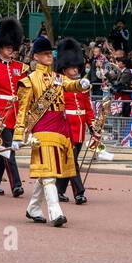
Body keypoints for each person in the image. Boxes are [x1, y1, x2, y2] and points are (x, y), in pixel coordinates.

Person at [13, 32, 89, 227]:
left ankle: (33, 208)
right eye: (45, 54)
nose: (49, 57)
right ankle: (56, 212)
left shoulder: (57, 78)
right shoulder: (29, 81)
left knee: (49, 172)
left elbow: (70, 85)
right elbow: (22, 111)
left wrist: (80, 84)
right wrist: (18, 134)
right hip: (42, 129)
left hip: (60, 129)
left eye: (50, 53)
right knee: (48, 174)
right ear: (36, 56)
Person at [0, 16, 26, 198]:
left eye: (12, 47)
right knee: (9, 148)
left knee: (5, 149)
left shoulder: (21, 68)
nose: (10, 50)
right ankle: (16, 184)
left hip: (16, 114)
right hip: (1, 114)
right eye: (7, 47)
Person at [54, 36, 93, 205]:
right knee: (72, 160)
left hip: (79, 128)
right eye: (72, 67)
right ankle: (79, 192)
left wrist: (92, 126)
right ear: (64, 69)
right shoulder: (58, 84)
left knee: (68, 160)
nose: (76, 70)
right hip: (66, 127)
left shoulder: (82, 85)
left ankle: (58, 190)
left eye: (77, 67)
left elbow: (88, 108)